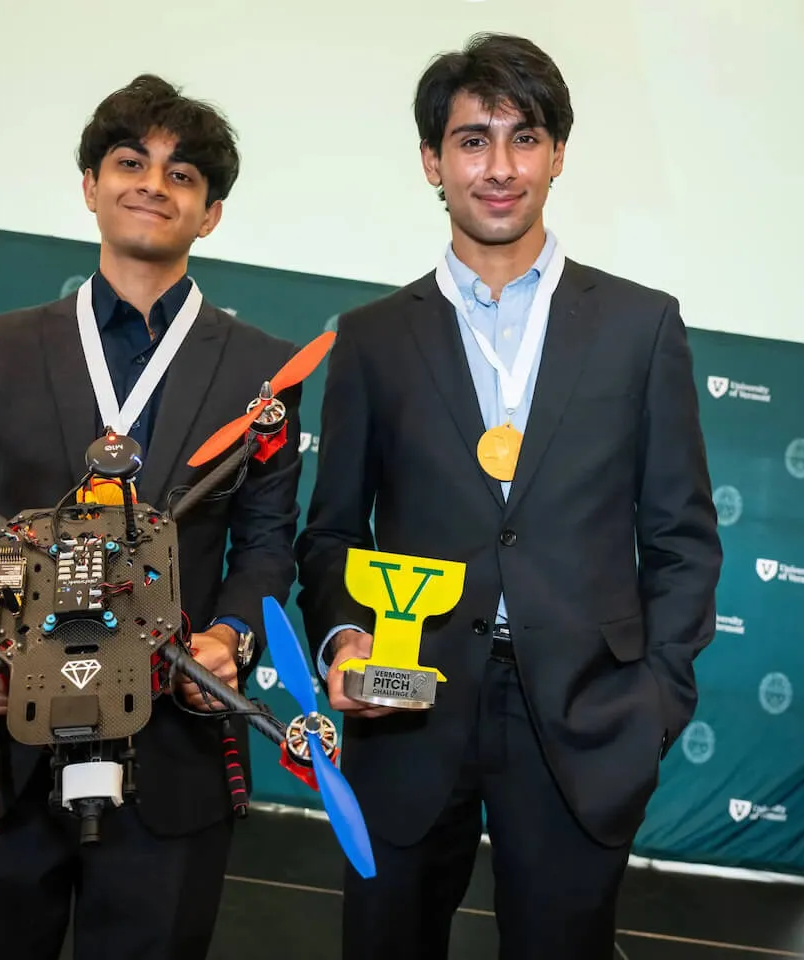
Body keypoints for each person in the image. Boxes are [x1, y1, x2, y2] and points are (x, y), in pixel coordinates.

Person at [295, 33, 723, 959]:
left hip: (581, 715)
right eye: (473, 140)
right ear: (431, 162)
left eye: (524, 138)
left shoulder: (641, 327)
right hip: (406, 707)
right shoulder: (372, 337)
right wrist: (343, 636)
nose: (499, 167)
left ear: (558, 155)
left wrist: (655, 701)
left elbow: (683, 537)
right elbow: (329, 530)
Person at [0, 74, 305, 960]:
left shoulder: (266, 373)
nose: (152, 185)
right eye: (131, 162)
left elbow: (268, 539)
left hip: (171, 747)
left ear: (210, 214)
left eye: (182, 175)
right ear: (90, 184)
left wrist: (232, 636)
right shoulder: (0, 346)